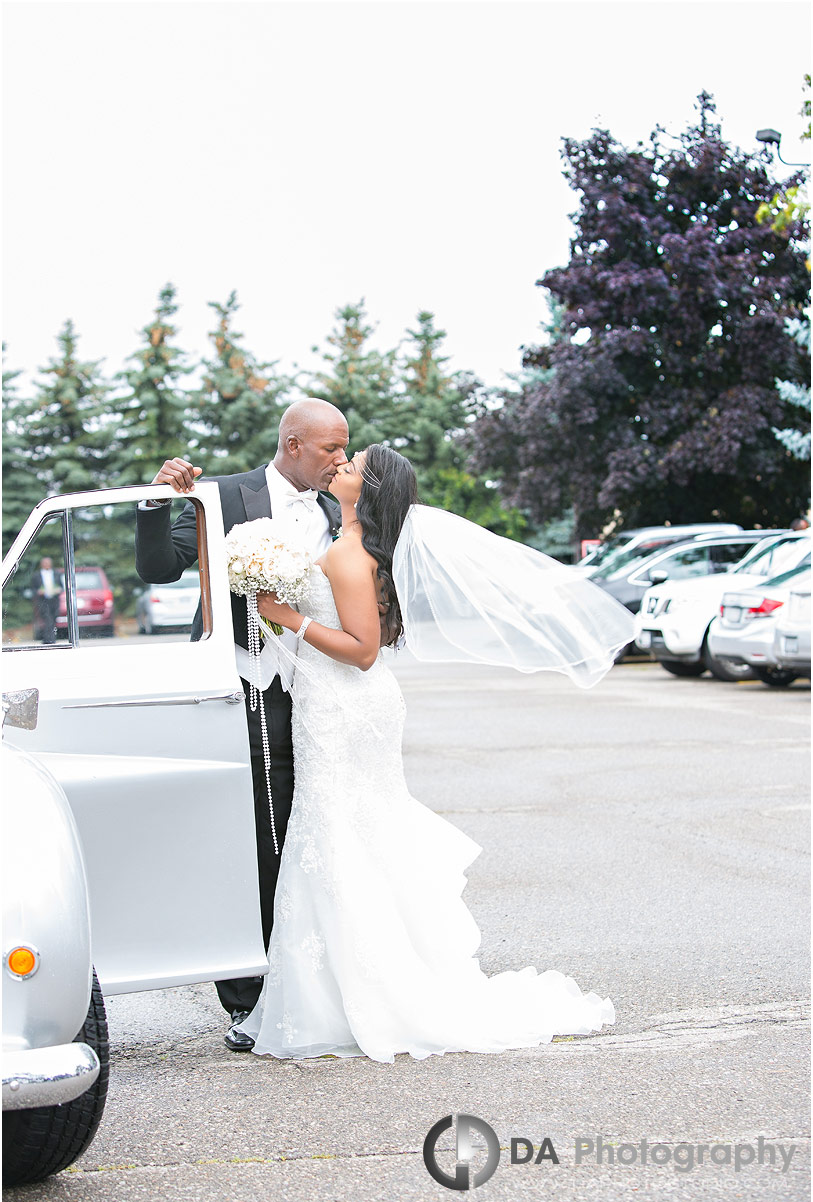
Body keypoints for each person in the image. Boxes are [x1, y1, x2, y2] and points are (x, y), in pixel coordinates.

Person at [235, 444, 635, 1063]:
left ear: (367, 491)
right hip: (341, 704)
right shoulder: (353, 542)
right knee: (353, 833)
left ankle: (361, 994)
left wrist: (286, 618)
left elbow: (363, 648)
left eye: (353, 465)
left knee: (337, 833)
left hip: (344, 705)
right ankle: (347, 987)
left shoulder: (346, 552)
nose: (340, 467)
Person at [134, 399, 348, 1050]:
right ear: (292, 442)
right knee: (253, 839)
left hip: (318, 693)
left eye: (345, 448)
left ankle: (314, 977)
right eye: (329, 448)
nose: (339, 459)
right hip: (244, 689)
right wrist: (154, 503)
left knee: (312, 834)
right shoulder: (224, 496)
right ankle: (247, 998)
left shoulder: (337, 510)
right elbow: (158, 569)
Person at [32, 557, 60, 644]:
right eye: (45, 563)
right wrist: (38, 592)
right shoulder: (36, 575)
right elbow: (33, 589)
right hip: (43, 600)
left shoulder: (56, 573)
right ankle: (49, 639)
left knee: (53, 618)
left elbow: (61, 586)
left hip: (54, 600)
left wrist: (58, 590)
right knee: (47, 619)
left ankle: (50, 638)